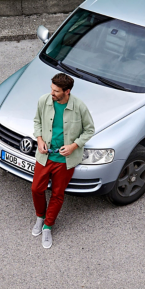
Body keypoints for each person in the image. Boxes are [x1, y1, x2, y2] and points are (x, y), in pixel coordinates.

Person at [31, 73, 95, 248]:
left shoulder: (79, 107)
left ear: (67, 92)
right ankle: (40, 216)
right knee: (36, 188)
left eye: (56, 91)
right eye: (51, 89)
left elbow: (89, 130)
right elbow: (37, 121)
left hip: (65, 160)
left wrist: (74, 146)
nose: (51, 93)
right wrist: (40, 140)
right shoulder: (44, 101)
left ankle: (47, 227)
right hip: (45, 156)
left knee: (58, 194)